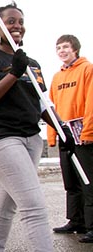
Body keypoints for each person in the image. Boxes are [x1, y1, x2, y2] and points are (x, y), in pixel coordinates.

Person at [0, 2, 69, 251]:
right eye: (10, 21)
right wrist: (13, 73)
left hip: (30, 140)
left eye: (21, 22)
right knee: (34, 207)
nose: (17, 26)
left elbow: (43, 104)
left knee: (5, 206)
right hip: (0, 139)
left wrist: (62, 128)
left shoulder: (31, 63)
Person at [48, 34, 93, 243]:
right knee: (70, 181)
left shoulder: (87, 69)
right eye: (58, 48)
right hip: (65, 135)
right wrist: (51, 135)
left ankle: (92, 226)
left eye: (65, 47)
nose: (62, 51)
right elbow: (51, 108)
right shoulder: (57, 78)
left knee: (88, 180)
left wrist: (88, 132)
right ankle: (76, 221)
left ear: (75, 48)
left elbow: (91, 103)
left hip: (84, 136)